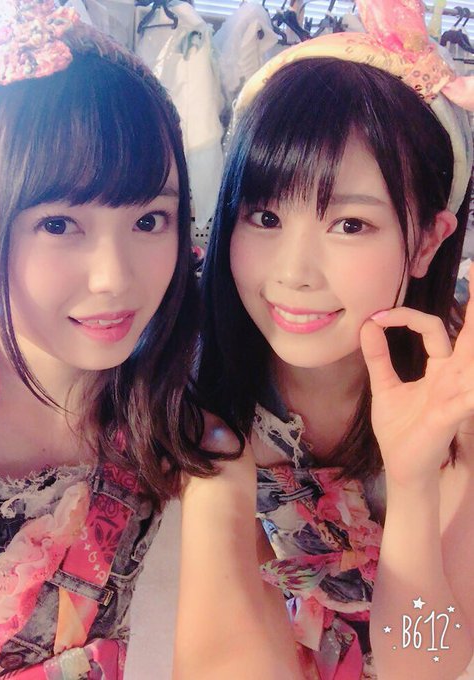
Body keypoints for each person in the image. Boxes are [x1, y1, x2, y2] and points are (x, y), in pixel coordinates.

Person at [0, 2, 271, 678]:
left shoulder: (183, 437)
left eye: (149, 220)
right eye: (59, 225)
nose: (115, 279)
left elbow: (232, 653)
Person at [198, 1, 474, 678]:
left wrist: (412, 483)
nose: (293, 273)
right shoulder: (196, 384)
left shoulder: (457, 398)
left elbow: (428, 663)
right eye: (264, 216)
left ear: (427, 243)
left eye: (350, 225)